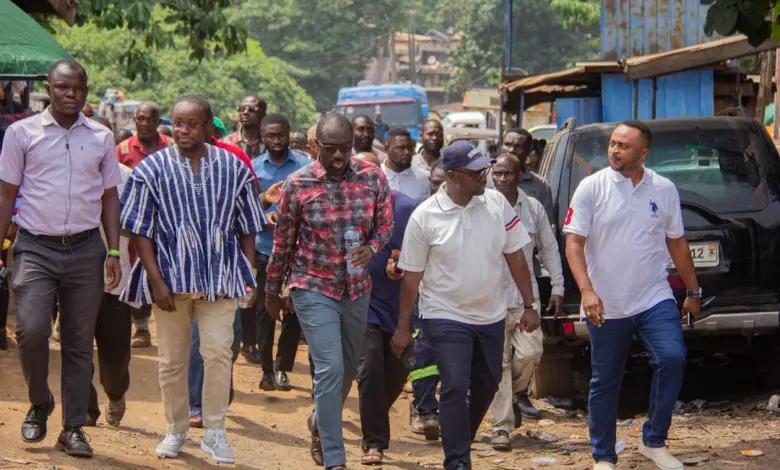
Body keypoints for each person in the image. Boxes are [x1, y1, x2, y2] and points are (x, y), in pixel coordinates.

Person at [119, 96, 266, 464]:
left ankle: (215, 431)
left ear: (207, 126)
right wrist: (156, 280)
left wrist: (247, 274)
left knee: (217, 352)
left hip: (221, 277)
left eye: (192, 124)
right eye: (179, 123)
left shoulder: (233, 167)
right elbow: (140, 230)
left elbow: (248, 226)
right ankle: (176, 429)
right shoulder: (151, 169)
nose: (184, 130)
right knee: (172, 361)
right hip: (170, 279)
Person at [390, 141, 540, 470]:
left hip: (490, 314)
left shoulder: (496, 204)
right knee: (456, 384)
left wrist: (530, 304)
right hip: (444, 315)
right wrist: (403, 327)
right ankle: (457, 461)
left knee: (487, 383)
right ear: (454, 176)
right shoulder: (425, 217)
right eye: (477, 173)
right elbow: (411, 280)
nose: (485, 177)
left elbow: (516, 257)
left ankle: (459, 436)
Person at [0, 60, 122, 457]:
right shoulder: (21, 134)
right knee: (32, 331)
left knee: (78, 341)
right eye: (64, 87)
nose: (72, 94)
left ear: (87, 91)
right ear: (49, 89)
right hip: (35, 247)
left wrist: (114, 249)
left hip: (87, 249)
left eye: (80, 88)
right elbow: (6, 193)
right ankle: (39, 403)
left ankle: (72, 428)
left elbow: (109, 197)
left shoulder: (102, 138)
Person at [563, 121, 700, 470]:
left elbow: (677, 242)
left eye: (623, 146)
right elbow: (574, 244)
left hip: (653, 296)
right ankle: (604, 456)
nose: (614, 151)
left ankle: (654, 441)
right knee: (605, 380)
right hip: (606, 304)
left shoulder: (664, 188)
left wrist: (694, 291)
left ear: (643, 153)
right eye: (612, 144)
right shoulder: (591, 188)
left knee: (673, 358)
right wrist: (587, 290)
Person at [265, 113, 393, 470]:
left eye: (345, 148)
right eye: (331, 149)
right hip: (312, 285)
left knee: (350, 366)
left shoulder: (372, 177)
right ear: (316, 146)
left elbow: (385, 223)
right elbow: (283, 241)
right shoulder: (298, 184)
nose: (339, 156)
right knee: (330, 367)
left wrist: (373, 247)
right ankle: (335, 457)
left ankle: (320, 420)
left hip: (356, 287)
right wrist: (272, 289)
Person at [488, 153, 565, 450]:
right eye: (498, 173)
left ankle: (517, 394)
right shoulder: (482, 206)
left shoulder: (533, 209)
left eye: (508, 173)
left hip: (525, 298)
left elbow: (548, 248)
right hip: (490, 298)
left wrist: (557, 286)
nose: (502, 178)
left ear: (521, 176)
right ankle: (501, 428)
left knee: (530, 353)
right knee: (500, 363)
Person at [354, 151, 417, 465]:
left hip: (398, 306)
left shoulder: (406, 207)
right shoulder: (341, 208)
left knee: (394, 375)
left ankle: (371, 416)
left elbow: (422, 254)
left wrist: (401, 264)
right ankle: (374, 443)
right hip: (360, 303)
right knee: (368, 371)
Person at [247, 114, 309, 390]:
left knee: (294, 312)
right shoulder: (254, 168)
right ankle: (267, 369)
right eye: (270, 136)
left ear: (288, 134)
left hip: (298, 252)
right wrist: (265, 218)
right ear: (262, 138)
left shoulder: (305, 167)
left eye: (280, 135)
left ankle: (284, 367)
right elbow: (246, 208)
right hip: (264, 249)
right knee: (265, 310)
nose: (276, 140)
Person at [116, 101, 174, 350]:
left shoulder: (171, 147)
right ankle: (140, 325)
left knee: (161, 268)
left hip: (167, 221)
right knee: (135, 268)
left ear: (157, 120)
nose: (144, 123)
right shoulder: (124, 149)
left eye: (149, 119)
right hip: (135, 223)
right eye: (139, 119)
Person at [85, 162, 134, 429]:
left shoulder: (127, 177)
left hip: (114, 282)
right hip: (74, 278)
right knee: (77, 348)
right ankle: (84, 409)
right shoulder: (65, 170)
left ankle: (115, 393)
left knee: (115, 354)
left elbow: (138, 223)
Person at [502, 128, 553, 221]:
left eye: (518, 146)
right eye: (507, 144)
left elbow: (547, 227)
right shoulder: (484, 179)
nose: (511, 150)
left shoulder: (541, 186)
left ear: (528, 151)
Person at [381, 128, 430, 201]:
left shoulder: (423, 177)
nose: (407, 152)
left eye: (410, 148)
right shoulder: (376, 176)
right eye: (401, 148)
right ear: (387, 148)